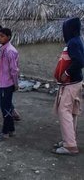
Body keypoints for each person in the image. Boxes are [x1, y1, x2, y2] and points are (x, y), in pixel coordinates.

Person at [52, 17, 84, 155]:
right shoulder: (77, 41)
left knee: (63, 110)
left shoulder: (73, 43)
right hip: (75, 83)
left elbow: (79, 61)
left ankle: (70, 146)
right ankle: (70, 139)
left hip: (71, 83)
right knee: (71, 112)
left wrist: (66, 72)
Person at [0, 28, 19, 142]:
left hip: (7, 83)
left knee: (6, 108)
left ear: (8, 36)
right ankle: (10, 129)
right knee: (5, 106)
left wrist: (15, 83)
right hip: (2, 81)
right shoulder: (3, 49)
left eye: (2, 36)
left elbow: (14, 70)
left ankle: (5, 132)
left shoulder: (10, 51)